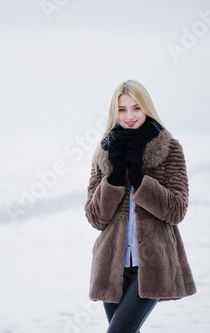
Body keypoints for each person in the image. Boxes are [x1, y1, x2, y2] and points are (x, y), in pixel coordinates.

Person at [84, 80, 196, 332]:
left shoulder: (169, 148)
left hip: (153, 264)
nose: (130, 116)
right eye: (122, 110)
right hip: (111, 264)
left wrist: (140, 181)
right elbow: (95, 218)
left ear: (146, 108)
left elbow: (177, 210)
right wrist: (113, 180)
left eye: (136, 108)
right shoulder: (104, 152)